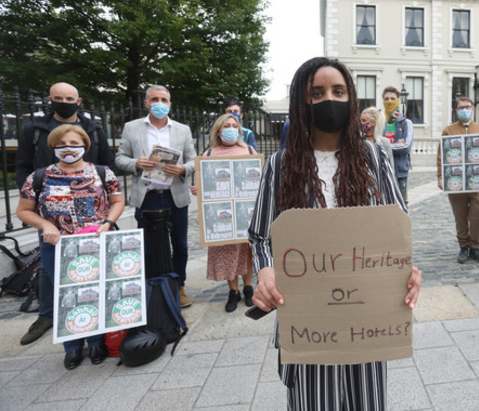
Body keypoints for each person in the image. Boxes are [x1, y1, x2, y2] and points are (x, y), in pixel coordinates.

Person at [249, 57, 422, 410]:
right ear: (302, 101)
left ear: (352, 98)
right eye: (318, 92)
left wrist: (408, 271)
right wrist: (266, 270)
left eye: (338, 91)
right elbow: (261, 236)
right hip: (308, 321)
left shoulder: (374, 157)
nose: (329, 99)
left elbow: (396, 226)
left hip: (367, 320)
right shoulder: (280, 165)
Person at [16, 124, 124, 369]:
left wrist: (108, 222)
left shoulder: (102, 172)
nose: (69, 148)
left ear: (84, 146)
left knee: (94, 291)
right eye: (62, 144)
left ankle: (97, 341)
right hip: (57, 245)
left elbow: (117, 201)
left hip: (95, 242)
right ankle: (72, 346)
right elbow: (23, 211)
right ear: (53, 147)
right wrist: (45, 225)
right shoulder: (40, 177)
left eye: (75, 144)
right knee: (66, 295)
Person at [115, 85, 196, 308]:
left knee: (180, 245)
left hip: (175, 195)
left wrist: (182, 170)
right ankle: (154, 287)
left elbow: (193, 159)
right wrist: (136, 163)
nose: (159, 103)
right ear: (147, 103)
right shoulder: (131, 128)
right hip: (147, 195)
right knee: (149, 246)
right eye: (154, 99)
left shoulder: (182, 130)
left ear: (170, 104)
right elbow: (120, 159)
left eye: (164, 100)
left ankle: (179, 286)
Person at [191, 114, 257, 312]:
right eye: (226, 126)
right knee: (226, 251)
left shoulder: (250, 150)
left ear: (239, 130)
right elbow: (204, 183)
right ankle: (233, 291)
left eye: (234, 125)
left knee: (247, 252)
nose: (230, 128)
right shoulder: (208, 154)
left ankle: (247, 287)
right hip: (221, 215)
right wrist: (199, 189)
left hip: (246, 213)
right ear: (219, 131)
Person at [437, 97, 479, 264]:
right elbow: (441, 156)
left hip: (476, 179)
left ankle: (475, 247)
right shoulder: (449, 131)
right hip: (456, 180)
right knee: (460, 215)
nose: (464, 110)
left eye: (467, 107)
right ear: (456, 111)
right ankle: (463, 246)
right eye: (461, 108)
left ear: (473, 109)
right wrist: (441, 177)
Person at [382, 86, 413, 203]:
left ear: (398, 101)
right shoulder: (380, 123)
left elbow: (406, 147)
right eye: (386, 99)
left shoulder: (406, 123)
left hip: (400, 173)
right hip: (383, 171)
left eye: (392, 98)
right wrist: (396, 144)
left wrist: (384, 145)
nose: (389, 101)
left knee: (401, 207)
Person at [361, 106, 394, 172]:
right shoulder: (358, 141)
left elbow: (390, 168)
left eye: (364, 120)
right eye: (360, 120)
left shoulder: (383, 143)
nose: (361, 123)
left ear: (373, 123)